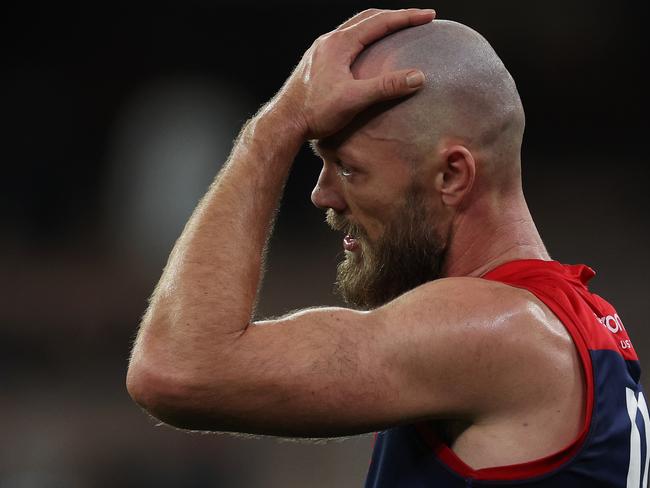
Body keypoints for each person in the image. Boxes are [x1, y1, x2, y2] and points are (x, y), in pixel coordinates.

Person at [126, 8, 646, 487]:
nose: (321, 194)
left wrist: (273, 128)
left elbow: (178, 368)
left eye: (350, 168)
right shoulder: (582, 326)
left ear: (452, 174)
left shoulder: (493, 329)